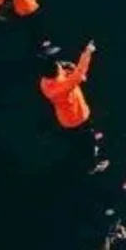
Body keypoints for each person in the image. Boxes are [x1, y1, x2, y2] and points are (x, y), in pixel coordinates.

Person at [39, 40, 107, 172]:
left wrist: (66, 65)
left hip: (70, 116)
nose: (57, 64)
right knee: (87, 141)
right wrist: (88, 51)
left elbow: (59, 66)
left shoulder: (45, 80)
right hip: (76, 118)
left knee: (82, 136)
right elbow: (80, 73)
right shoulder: (59, 87)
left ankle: (87, 141)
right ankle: (92, 165)